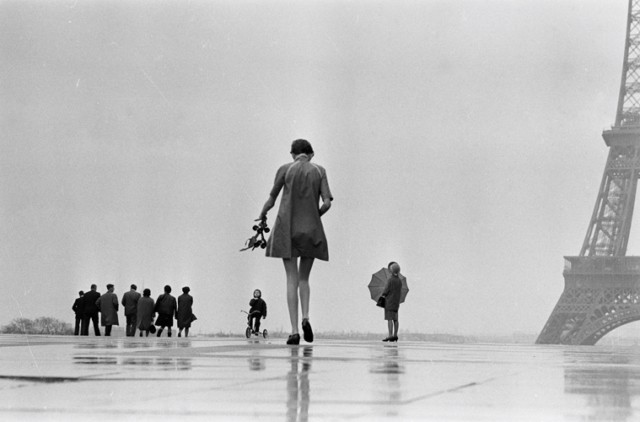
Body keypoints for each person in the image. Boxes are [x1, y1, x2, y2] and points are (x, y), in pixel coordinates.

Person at [259, 139, 333, 345]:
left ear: (293, 154)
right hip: (311, 229)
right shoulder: (319, 171)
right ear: (309, 154)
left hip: (287, 229)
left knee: (290, 278)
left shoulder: (285, 169)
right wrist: (315, 216)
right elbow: (327, 203)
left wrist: (262, 214)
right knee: (304, 279)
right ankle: (306, 317)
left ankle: (293, 332)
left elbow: (272, 199)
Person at [381, 262, 402, 342]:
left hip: (389, 301)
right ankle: (395, 335)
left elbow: (386, 290)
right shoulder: (399, 281)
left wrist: (383, 294)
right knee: (396, 319)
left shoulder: (390, 280)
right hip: (396, 302)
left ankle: (390, 335)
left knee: (389, 319)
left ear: (392, 271)